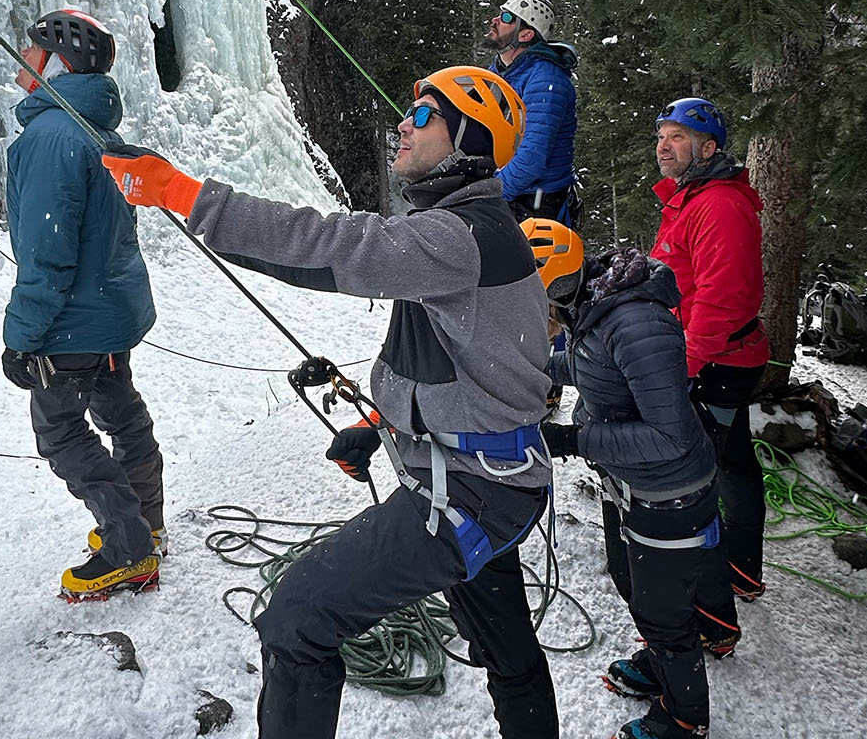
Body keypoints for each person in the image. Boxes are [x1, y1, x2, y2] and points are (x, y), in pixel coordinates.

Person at [102, 66, 557, 739]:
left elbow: (328, 245)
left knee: (297, 619)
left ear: (468, 139)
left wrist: (185, 194)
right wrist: (377, 426)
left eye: (425, 115)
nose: (404, 124)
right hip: (493, 479)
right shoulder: (474, 229)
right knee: (508, 652)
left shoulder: (457, 236)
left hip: (468, 492)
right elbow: (460, 370)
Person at [529, 224, 728, 739]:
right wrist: (532, 370)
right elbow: (592, 366)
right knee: (627, 577)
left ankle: (684, 719)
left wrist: (572, 441)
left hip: (669, 493)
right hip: (632, 485)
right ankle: (670, 655)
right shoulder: (588, 306)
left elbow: (670, 436)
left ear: (552, 286)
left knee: (662, 611)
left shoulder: (636, 323)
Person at [0, 9, 164, 602]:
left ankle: (129, 549)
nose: (24, 58)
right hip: (113, 316)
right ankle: (147, 524)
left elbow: (47, 254)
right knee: (120, 412)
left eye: (33, 49)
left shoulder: (49, 139)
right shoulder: (99, 133)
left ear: (56, 60)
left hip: (72, 325)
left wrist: (21, 338)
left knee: (62, 433)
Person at [650, 97, 768, 605]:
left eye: (677, 137)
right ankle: (742, 569)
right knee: (734, 463)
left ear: (708, 147)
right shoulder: (691, 198)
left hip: (718, 360)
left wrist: (684, 367)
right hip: (719, 356)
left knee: (690, 484)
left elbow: (724, 297)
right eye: (661, 137)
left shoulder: (718, 205)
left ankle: (709, 611)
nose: (664, 146)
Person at [482, 0, 580, 226]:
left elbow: (531, 158)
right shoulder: (498, 73)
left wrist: (488, 195)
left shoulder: (547, 79)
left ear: (525, 34)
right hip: (511, 193)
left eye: (506, 17)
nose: (495, 19)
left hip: (538, 204)